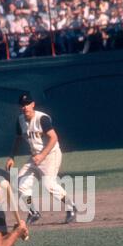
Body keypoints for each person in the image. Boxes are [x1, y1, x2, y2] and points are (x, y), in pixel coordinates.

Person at [5, 93, 77, 225]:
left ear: (33, 104)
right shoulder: (20, 120)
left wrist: (42, 155)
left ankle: (71, 207)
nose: (25, 107)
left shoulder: (42, 118)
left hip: (50, 155)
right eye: (22, 105)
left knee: (48, 185)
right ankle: (33, 211)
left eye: (27, 104)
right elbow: (18, 138)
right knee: (20, 186)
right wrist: (11, 157)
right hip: (35, 157)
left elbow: (54, 138)